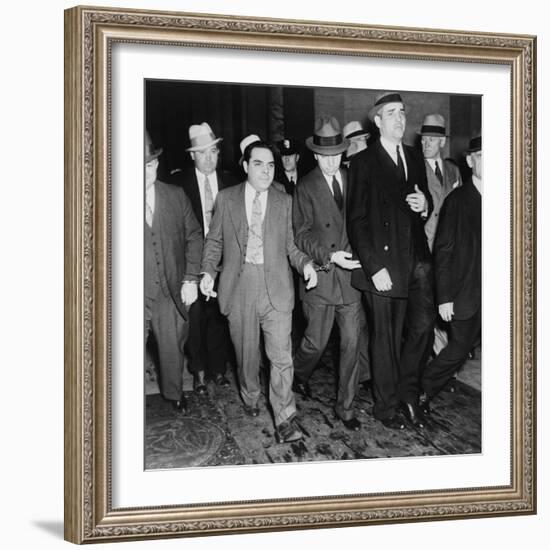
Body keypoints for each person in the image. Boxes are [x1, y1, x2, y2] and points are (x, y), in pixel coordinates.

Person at [200, 140, 318, 443]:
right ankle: (250, 394)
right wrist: (208, 273)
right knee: (246, 355)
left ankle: (285, 416)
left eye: (270, 165)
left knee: (281, 356)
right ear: (245, 165)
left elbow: (291, 245)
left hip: (276, 286)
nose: (266, 171)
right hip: (239, 287)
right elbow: (214, 242)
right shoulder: (226, 200)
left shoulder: (284, 201)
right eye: (258, 164)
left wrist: (305, 265)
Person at [348, 92, 435, 430]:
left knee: (423, 328)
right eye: (392, 113)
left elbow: (422, 201)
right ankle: (386, 408)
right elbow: (356, 221)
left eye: (402, 112)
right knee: (384, 338)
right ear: (378, 121)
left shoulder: (414, 157)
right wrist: (373, 268)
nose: (400, 118)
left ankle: (408, 393)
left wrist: (423, 204)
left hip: (416, 259)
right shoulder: (363, 163)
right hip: (383, 266)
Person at [291, 116, 365, 431]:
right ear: (316, 156)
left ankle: (346, 407)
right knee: (315, 344)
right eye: (326, 156)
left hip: (350, 282)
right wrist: (330, 254)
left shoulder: (354, 179)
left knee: (351, 343)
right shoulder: (306, 187)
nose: (332, 161)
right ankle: (297, 374)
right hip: (321, 277)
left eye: (337, 154)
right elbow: (300, 234)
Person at [168, 122, 237, 394]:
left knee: (219, 314)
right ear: (192, 155)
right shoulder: (177, 185)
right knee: (195, 317)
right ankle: (197, 371)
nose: (209, 158)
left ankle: (218, 369)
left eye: (213, 152)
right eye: (203, 152)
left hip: (224, 261)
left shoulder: (231, 182)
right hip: (192, 262)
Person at [419, 136, 482, 413]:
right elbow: (442, 252)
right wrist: (444, 298)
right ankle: (422, 389)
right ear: (470, 161)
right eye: (482, 157)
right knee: (458, 349)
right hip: (465, 294)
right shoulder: (458, 200)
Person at [144, 131, 203, 413]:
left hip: (168, 291)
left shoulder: (175, 196)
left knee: (171, 348)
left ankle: (175, 393)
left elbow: (194, 236)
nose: (144, 172)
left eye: (149, 165)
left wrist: (191, 278)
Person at [419, 113, 462, 356]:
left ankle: (446, 357)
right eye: (424, 139)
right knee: (430, 306)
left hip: (450, 249)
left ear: (442, 142)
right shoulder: (415, 168)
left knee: (447, 302)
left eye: (432, 140)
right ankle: (440, 359)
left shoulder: (453, 170)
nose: (426, 144)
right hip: (427, 247)